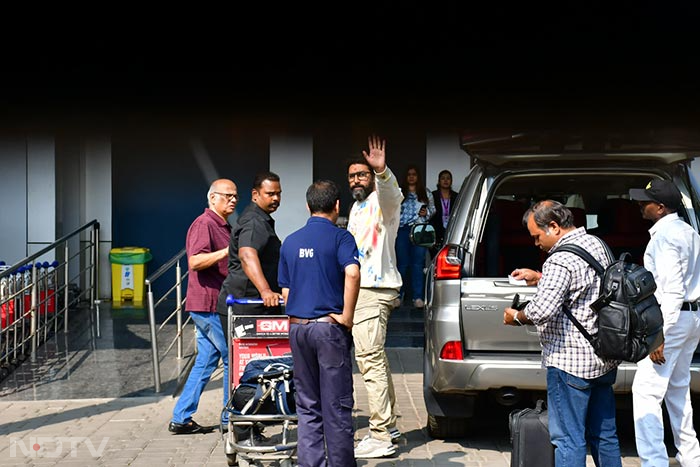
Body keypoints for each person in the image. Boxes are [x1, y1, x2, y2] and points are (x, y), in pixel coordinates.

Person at [504, 200, 622, 467]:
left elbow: (541, 311)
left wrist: (516, 317)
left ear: (554, 227)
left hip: (570, 364)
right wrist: (539, 277)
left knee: (569, 440)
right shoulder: (596, 244)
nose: (536, 244)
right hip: (603, 356)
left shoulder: (560, 259)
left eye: (537, 237)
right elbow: (584, 286)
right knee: (605, 436)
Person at [278, 180, 361, 467]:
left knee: (307, 403)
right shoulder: (342, 238)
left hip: (298, 328)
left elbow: (286, 292)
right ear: (337, 206)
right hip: (328, 328)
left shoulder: (290, 241)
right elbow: (352, 273)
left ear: (307, 206)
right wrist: (347, 316)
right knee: (336, 404)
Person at [629, 179, 700, 467]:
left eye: (644, 202)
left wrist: (658, 336)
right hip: (692, 317)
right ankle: (691, 458)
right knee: (678, 390)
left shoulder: (665, 237)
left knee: (646, 392)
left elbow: (671, 291)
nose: (639, 205)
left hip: (672, 318)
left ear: (660, 208)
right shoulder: (689, 232)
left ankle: (654, 462)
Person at [346, 135, 403, 459]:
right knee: (376, 359)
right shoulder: (356, 207)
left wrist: (381, 172)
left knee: (369, 360)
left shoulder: (383, 202)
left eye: (362, 175)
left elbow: (392, 193)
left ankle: (381, 436)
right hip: (362, 289)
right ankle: (390, 426)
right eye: (353, 175)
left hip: (374, 289)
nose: (356, 180)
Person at [216, 171, 283, 442]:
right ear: (256, 194)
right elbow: (247, 254)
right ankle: (244, 432)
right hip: (246, 307)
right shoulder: (255, 221)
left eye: (279, 193)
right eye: (270, 193)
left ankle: (249, 425)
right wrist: (266, 290)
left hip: (251, 306)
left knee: (251, 369)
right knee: (246, 371)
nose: (276, 198)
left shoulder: (260, 219)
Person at [169, 178, 238, 435]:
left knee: (207, 361)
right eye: (227, 195)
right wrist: (226, 251)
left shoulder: (222, 225)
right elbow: (195, 261)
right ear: (212, 198)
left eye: (235, 196)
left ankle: (181, 418)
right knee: (232, 357)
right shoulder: (204, 223)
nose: (232, 200)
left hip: (211, 303)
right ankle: (229, 419)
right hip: (208, 304)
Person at [395, 165, 435, 308]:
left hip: (420, 230)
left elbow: (433, 210)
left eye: (414, 174)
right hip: (402, 230)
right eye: (409, 174)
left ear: (418, 177)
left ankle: (417, 297)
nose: (411, 177)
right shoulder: (399, 193)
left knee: (418, 264)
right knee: (402, 264)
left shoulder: (426, 192)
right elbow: (392, 210)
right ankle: (399, 296)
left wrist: (427, 214)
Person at [429, 169, 458, 256]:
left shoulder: (456, 196)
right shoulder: (433, 195)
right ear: (439, 181)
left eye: (448, 178)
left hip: (452, 231)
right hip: (436, 232)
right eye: (443, 178)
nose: (445, 180)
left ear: (451, 181)